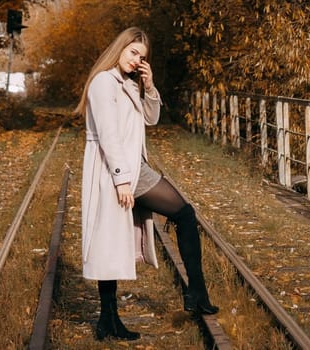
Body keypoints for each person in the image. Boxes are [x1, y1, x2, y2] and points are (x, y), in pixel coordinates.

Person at [76, 27, 219, 342]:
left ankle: (110, 320)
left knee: (172, 217)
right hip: (118, 170)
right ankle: (191, 296)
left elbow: (151, 118)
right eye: (132, 53)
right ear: (120, 48)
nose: (135, 60)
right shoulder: (103, 83)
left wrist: (150, 85)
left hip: (132, 167)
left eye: (141, 56)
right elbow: (109, 135)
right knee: (179, 214)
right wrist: (121, 180)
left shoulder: (128, 83)